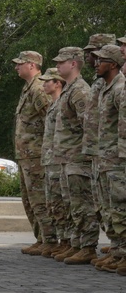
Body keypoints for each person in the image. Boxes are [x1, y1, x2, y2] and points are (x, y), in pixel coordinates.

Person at [51, 47, 100, 265]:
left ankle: (87, 246)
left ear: (73, 64)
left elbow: (88, 125)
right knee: (72, 204)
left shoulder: (80, 90)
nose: (58, 65)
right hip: (66, 158)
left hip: (78, 158)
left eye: (62, 62)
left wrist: (87, 155)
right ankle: (77, 243)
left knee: (83, 204)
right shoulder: (69, 90)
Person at [87, 45, 126, 272]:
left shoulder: (121, 89)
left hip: (117, 159)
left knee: (120, 207)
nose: (96, 63)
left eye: (101, 60)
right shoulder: (106, 88)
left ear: (112, 64)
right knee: (109, 209)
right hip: (104, 158)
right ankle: (118, 251)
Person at [12, 51, 52, 255]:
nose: (16, 67)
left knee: (39, 199)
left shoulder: (39, 89)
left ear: (32, 65)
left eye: (20, 64)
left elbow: (50, 119)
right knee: (29, 200)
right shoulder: (28, 88)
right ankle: (41, 238)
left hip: (36, 155)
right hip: (26, 156)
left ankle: (49, 239)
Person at [80, 34, 116, 256]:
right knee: (102, 205)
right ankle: (117, 245)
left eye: (96, 52)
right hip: (97, 152)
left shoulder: (116, 83)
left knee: (114, 203)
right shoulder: (100, 82)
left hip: (111, 153)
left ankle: (119, 247)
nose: (91, 57)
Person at [39, 68, 70, 258]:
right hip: (50, 159)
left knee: (62, 202)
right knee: (54, 203)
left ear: (58, 83)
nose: (43, 84)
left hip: (59, 160)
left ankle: (68, 241)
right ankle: (63, 240)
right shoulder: (53, 105)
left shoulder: (61, 105)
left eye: (47, 81)